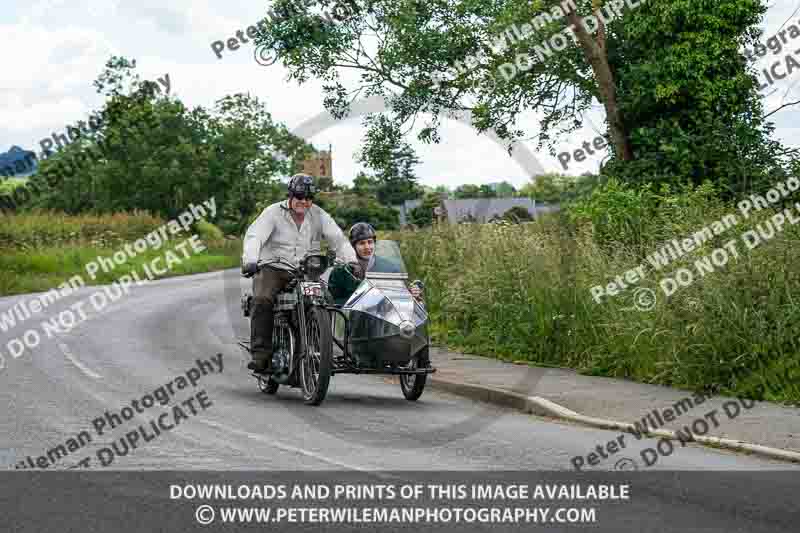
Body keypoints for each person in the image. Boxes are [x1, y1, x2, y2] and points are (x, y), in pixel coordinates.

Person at [241, 174, 357, 374]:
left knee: (324, 299)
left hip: (304, 269)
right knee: (262, 299)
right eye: (299, 196)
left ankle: (319, 350)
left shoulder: (319, 215)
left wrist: (352, 261)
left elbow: (338, 239)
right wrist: (251, 259)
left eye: (308, 198)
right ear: (291, 195)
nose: (304, 201)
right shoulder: (273, 213)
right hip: (273, 267)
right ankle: (260, 356)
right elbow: (255, 236)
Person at [327, 222, 423, 306]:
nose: (367, 247)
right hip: (352, 322)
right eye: (361, 243)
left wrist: (411, 294)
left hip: (382, 321)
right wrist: (358, 300)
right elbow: (333, 302)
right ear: (353, 246)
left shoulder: (389, 267)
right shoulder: (341, 271)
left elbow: (398, 296)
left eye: (370, 242)